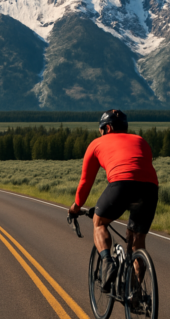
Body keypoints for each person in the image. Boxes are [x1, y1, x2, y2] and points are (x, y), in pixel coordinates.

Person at [68, 109, 159, 293]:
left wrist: (76, 207)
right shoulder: (141, 140)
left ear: (107, 128)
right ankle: (134, 293)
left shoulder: (96, 144)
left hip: (121, 184)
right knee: (137, 239)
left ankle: (108, 263)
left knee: (99, 222)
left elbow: (86, 182)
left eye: (101, 129)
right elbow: (141, 170)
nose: (100, 133)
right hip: (150, 189)